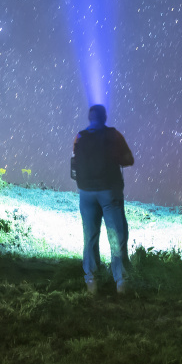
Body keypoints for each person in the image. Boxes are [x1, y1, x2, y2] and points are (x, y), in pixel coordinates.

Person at [71, 104, 135, 294]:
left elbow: (74, 161)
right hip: (109, 192)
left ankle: (91, 282)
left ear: (90, 118)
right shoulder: (114, 135)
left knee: (90, 236)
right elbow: (129, 159)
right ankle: (121, 282)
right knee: (116, 235)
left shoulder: (79, 136)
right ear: (104, 117)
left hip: (85, 193)